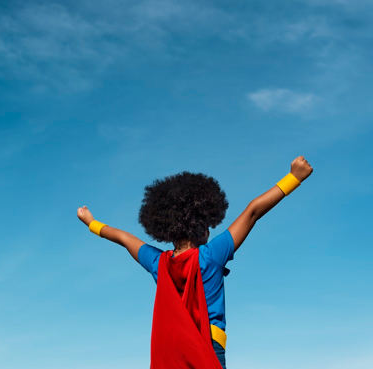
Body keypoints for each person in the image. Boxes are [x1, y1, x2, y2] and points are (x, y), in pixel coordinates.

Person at [76, 156, 313, 368]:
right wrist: (294, 178)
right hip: (208, 345)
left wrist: (91, 223)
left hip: (171, 351)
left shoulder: (158, 262)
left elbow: (124, 238)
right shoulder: (211, 256)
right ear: (201, 227)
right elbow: (252, 212)